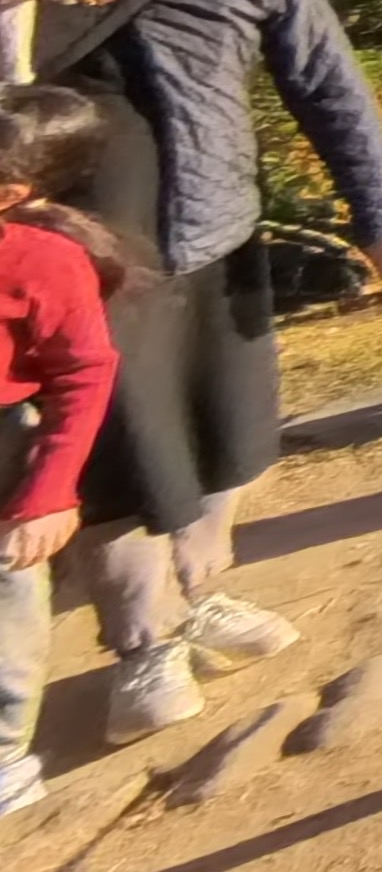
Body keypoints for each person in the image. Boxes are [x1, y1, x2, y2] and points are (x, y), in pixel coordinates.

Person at [0, 0, 382, 745]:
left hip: (212, 233)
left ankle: (193, 597)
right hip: (71, 258)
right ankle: (144, 641)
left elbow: (329, 86)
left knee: (226, 437)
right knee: (115, 451)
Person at [0, 88, 130, 817]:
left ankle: (5, 755)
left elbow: (83, 373)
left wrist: (49, 492)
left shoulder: (41, 261)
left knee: (6, 602)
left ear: (11, 193)